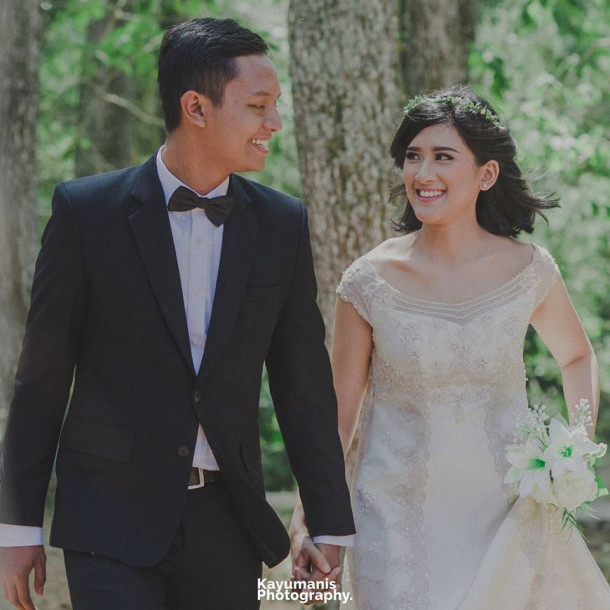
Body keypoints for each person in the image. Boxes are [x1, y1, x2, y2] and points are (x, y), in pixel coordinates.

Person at [0, 17, 355, 610]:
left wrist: (327, 522)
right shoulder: (86, 213)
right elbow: (42, 378)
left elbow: (303, 386)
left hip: (229, 519)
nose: (274, 122)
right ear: (196, 107)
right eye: (258, 105)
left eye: (275, 105)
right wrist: (17, 526)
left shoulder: (281, 224)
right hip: (109, 518)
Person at [290, 86, 610, 608]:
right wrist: (308, 521)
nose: (423, 173)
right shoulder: (369, 282)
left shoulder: (528, 269)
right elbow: (336, 420)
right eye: (412, 156)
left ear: (486, 174)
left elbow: (577, 357)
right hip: (396, 531)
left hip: (508, 521)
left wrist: (574, 451)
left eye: (443, 157)